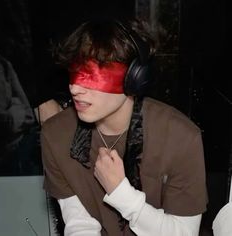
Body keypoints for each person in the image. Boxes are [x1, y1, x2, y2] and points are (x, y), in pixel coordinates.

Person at [41, 19, 208, 235]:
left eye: (93, 74)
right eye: (74, 72)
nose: (75, 88)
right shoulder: (56, 135)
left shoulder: (181, 138)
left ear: (134, 78)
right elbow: (80, 224)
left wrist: (123, 195)